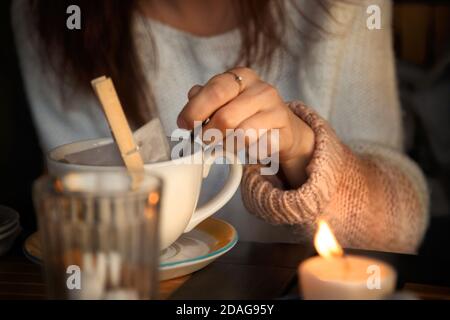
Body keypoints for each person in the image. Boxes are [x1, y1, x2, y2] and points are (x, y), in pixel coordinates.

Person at [12, 0, 428, 253]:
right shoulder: (55, 20)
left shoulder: (341, 9)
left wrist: (302, 151)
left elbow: (400, 232)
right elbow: (78, 207)